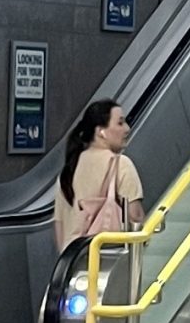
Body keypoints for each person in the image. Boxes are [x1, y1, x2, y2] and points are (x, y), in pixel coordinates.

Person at [54, 98, 145, 247]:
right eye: (120, 123)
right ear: (100, 132)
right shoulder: (120, 164)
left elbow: (60, 228)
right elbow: (135, 217)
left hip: (73, 263)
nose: (127, 129)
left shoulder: (68, 171)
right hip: (108, 263)